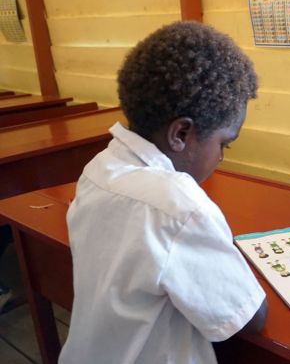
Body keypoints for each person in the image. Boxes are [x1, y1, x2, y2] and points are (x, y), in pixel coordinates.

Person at [59, 22, 267, 364]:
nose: (221, 158)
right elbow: (251, 317)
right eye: (224, 144)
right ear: (181, 134)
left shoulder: (100, 167)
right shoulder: (178, 205)